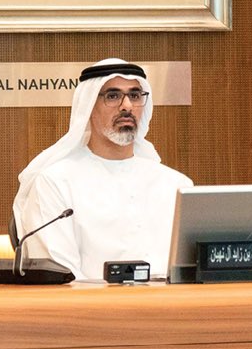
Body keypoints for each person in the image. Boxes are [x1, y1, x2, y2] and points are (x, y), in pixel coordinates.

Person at [14, 60, 193, 281]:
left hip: (174, 309)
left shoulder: (176, 185)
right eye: (113, 96)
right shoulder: (55, 182)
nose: (127, 106)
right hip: (89, 311)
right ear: (88, 106)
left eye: (135, 96)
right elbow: (59, 277)